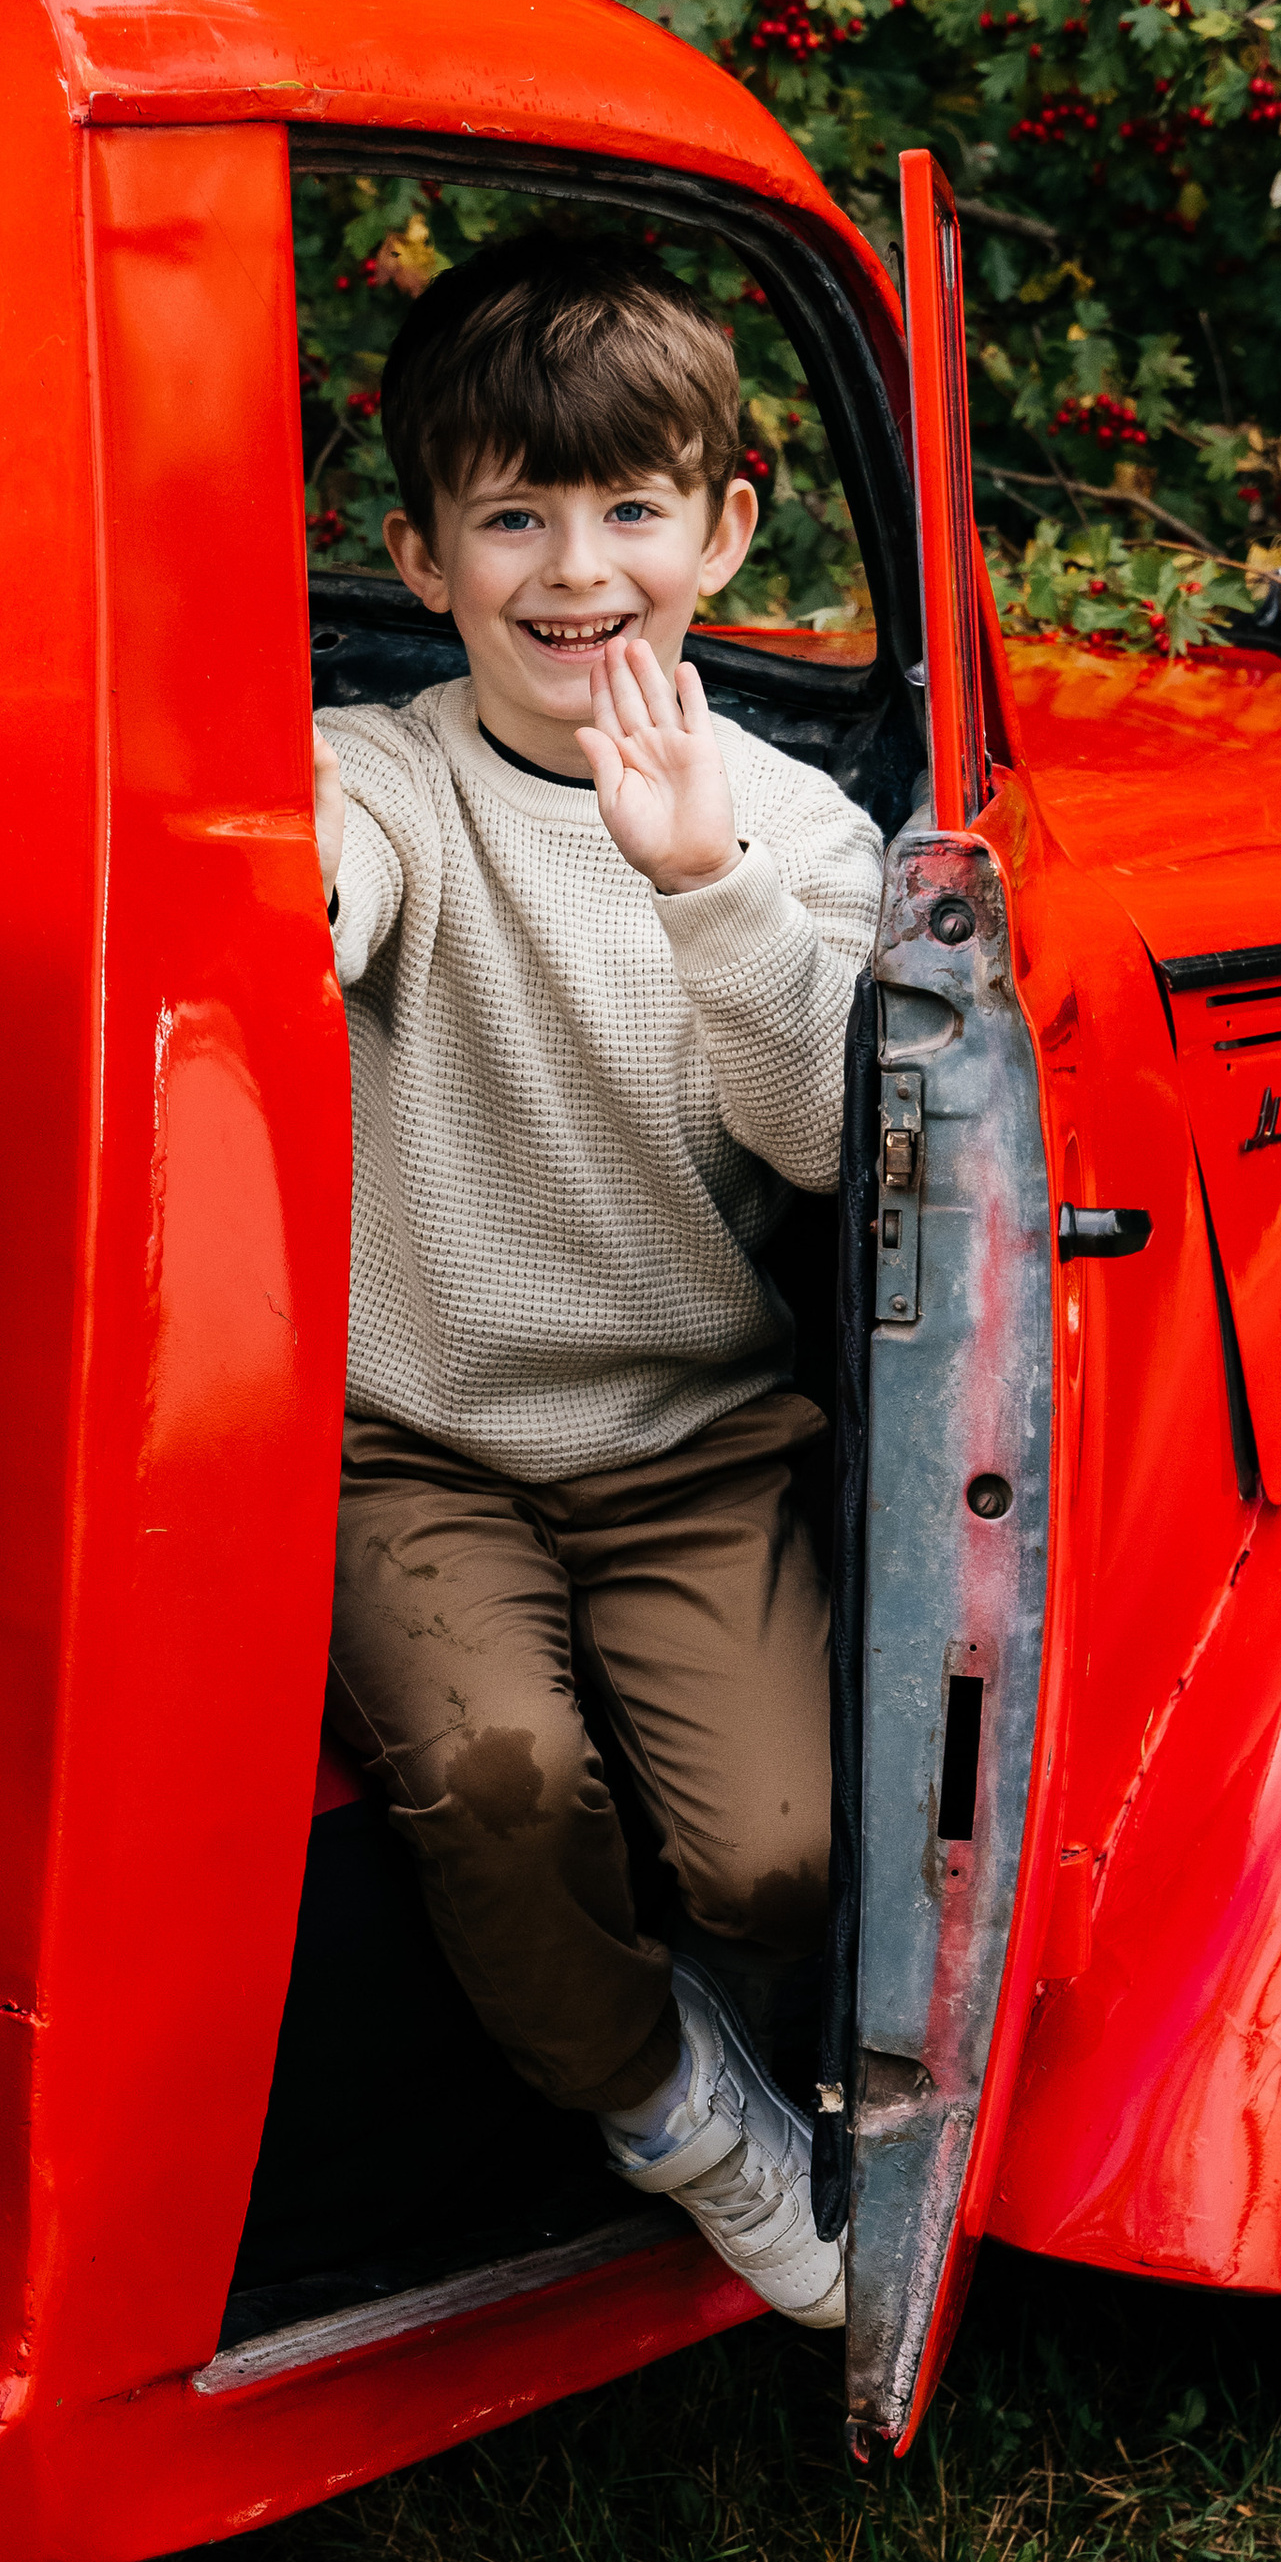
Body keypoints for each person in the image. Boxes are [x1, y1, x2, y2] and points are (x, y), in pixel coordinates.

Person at [312, 229, 885, 2328]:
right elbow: (321, 868)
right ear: (424, 552)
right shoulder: (383, 774)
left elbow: (833, 1142)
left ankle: (704, 2021)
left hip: (685, 1437)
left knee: (781, 1855)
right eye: (512, 516)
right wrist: (297, 896)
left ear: (723, 531)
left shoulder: (793, 823)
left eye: (628, 507)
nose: (575, 569)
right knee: (492, 1775)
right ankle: (662, 2108)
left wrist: (696, 886)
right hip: (417, 1441)